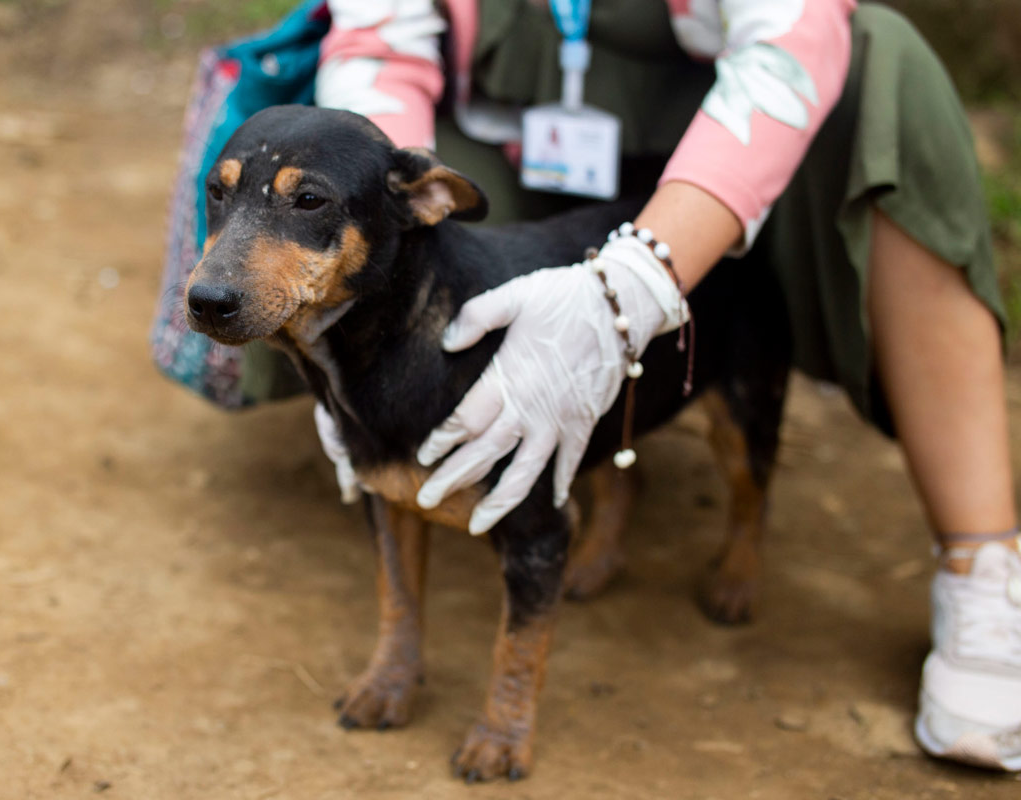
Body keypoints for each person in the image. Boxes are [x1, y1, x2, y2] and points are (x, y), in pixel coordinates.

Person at [309, 0, 1020, 771]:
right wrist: (373, 227)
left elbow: (796, 29)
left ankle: (979, 558)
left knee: (884, 56)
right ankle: (595, 490)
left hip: (730, 148)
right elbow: (377, 39)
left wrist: (637, 284)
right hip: (507, 146)